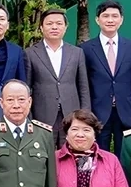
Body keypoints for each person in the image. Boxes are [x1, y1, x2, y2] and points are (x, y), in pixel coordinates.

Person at [80, 0, 131, 155]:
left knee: (126, 156)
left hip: (127, 112)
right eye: (106, 16)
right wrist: (86, 114)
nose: (110, 20)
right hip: (97, 112)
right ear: (97, 19)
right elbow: (84, 84)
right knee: (98, 156)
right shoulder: (85, 49)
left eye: (115, 16)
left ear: (121, 20)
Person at [25, 8, 89, 137]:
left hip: (72, 115)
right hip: (42, 116)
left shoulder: (76, 52)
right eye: (49, 23)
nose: (54, 27)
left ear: (65, 27)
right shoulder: (30, 53)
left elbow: (83, 87)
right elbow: (27, 88)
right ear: (41, 28)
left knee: (70, 153)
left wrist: (85, 115)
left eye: (59, 23)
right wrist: (29, 117)